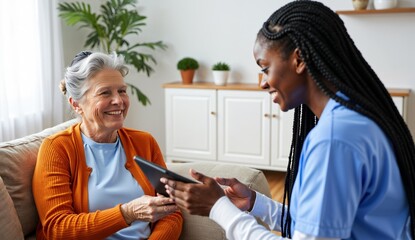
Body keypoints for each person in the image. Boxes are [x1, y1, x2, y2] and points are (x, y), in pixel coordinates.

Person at [161, 1, 415, 239]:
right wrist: (254, 204)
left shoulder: (334, 139)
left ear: (300, 59)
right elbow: (316, 226)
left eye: (265, 68)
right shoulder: (356, 118)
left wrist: (218, 208)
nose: (262, 83)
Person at [32, 51, 183, 240]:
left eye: (122, 91)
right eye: (105, 92)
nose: (119, 101)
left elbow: (171, 210)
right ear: (76, 104)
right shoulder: (56, 149)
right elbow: (58, 228)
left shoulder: (145, 142)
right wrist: (128, 213)